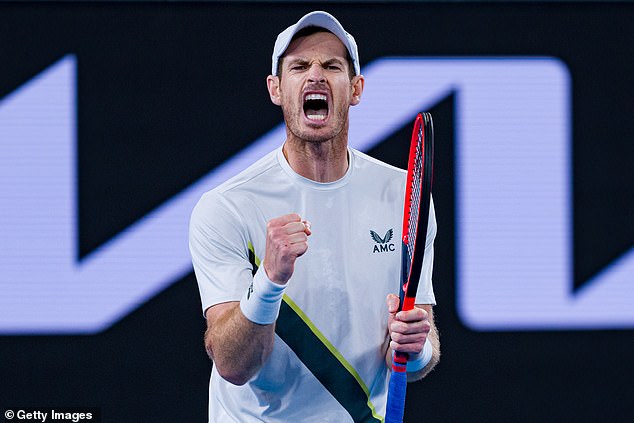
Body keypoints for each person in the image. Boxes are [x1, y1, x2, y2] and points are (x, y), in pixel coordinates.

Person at [189, 10, 440, 422]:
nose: (315, 75)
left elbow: (417, 349)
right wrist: (269, 279)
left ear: (355, 89)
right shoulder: (226, 207)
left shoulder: (403, 195)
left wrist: (417, 348)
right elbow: (233, 366)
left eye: (332, 66)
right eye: (299, 66)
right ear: (276, 89)